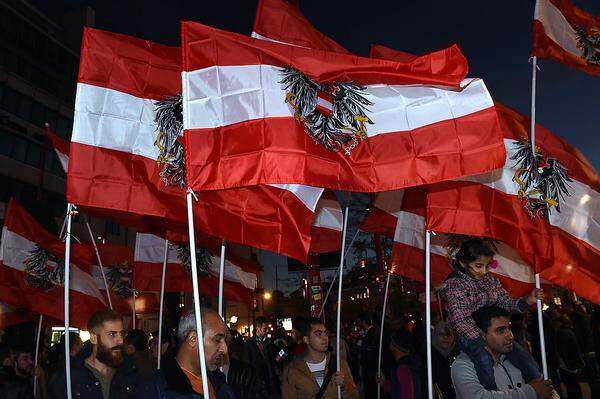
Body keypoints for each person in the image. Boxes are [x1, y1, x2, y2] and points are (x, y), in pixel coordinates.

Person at [440, 238, 543, 391]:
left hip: (493, 333)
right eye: (478, 266)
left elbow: (507, 303)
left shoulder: (490, 280)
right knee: (483, 358)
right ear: (463, 263)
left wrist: (528, 300)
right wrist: (483, 342)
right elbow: (460, 319)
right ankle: (491, 391)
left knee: (525, 358)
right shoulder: (454, 285)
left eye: (487, 266)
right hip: (470, 335)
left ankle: (540, 387)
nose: (484, 271)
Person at [451, 306, 556, 399]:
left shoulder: (517, 360)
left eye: (509, 328)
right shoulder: (463, 365)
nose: (510, 336)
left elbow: (544, 389)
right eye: (500, 331)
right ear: (481, 335)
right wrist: (531, 392)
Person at [47, 310, 141, 399]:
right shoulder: (68, 378)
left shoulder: (128, 373)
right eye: (112, 334)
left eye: (122, 334)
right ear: (94, 338)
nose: (120, 341)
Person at [150, 309, 236, 398]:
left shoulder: (219, 382)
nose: (224, 350)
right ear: (193, 339)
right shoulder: (158, 390)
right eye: (217, 340)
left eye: (224, 341)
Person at [281, 317, 359, 399]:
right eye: (318, 334)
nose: (325, 338)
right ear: (306, 339)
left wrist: (344, 386)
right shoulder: (292, 370)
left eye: (326, 333)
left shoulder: (339, 363)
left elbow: (354, 395)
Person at [377, 327, 423, 399]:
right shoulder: (410, 362)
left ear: (395, 344)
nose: (389, 342)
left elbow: (407, 395)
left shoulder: (402, 368)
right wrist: (383, 383)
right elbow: (398, 390)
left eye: (391, 340)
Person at [243, 317, 279, 398]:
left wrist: (279, 356)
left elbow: (273, 360)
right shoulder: (249, 344)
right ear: (258, 329)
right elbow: (247, 364)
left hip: (272, 379)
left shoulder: (269, 342)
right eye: (265, 328)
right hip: (258, 383)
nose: (267, 331)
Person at [555, 314, 584, 399]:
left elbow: (561, 348)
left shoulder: (563, 333)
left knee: (571, 384)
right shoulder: (569, 331)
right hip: (571, 361)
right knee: (573, 384)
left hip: (567, 362)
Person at [431, 322, 458, 399]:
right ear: (435, 335)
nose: (445, 337)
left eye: (449, 334)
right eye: (441, 334)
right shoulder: (428, 360)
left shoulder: (459, 357)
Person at [357, 312, 379, 397]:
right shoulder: (366, 332)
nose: (358, 323)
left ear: (363, 321)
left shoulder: (373, 331)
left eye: (359, 321)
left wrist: (361, 347)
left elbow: (371, 347)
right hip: (367, 365)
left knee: (371, 388)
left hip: (371, 366)